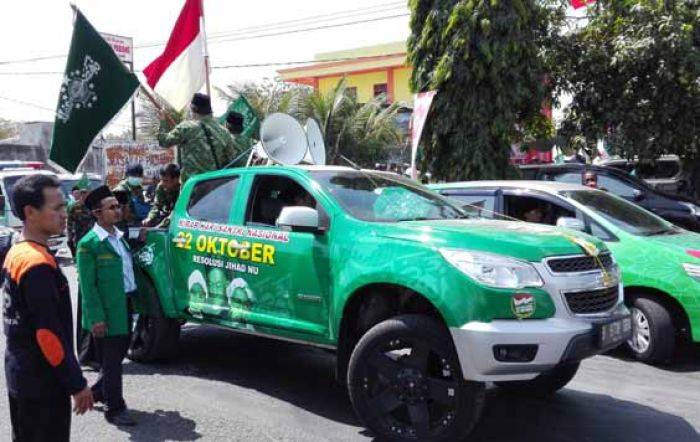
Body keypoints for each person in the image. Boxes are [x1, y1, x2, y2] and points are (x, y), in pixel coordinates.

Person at [2, 174, 93, 441]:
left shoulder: (18, 251)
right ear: (30, 212)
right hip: (42, 384)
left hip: (21, 373)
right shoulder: (37, 264)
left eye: (65, 206)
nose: (64, 214)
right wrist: (76, 384)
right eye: (57, 208)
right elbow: (47, 334)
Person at [77, 185, 137, 426]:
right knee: (112, 362)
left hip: (126, 304)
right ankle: (115, 408)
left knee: (118, 356)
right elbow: (87, 287)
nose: (117, 210)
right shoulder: (89, 244)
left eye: (117, 206)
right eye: (111, 207)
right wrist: (96, 319)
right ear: (97, 213)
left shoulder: (119, 237)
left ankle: (100, 392)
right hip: (107, 311)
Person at [157, 93, 245, 183]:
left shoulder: (186, 127)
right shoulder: (224, 132)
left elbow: (164, 141)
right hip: (215, 187)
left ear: (193, 109)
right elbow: (232, 160)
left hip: (192, 187)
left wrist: (163, 120)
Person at [142, 164, 181, 228]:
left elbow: (176, 211)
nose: (163, 183)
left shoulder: (183, 189)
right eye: (162, 180)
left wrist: (160, 226)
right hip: (167, 215)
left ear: (176, 179)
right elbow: (157, 205)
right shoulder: (161, 186)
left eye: (166, 180)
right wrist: (149, 218)